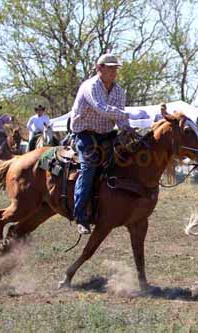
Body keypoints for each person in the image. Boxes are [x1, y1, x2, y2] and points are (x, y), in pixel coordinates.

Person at [70, 53, 131, 235]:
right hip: (85, 134)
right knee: (88, 168)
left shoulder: (119, 91)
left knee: (127, 160)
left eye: (115, 68)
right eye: (110, 68)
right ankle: (80, 216)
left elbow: (118, 118)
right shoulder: (90, 86)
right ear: (99, 68)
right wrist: (128, 116)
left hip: (107, 134)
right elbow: (102, 109)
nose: (113, 71)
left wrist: (128, 129)